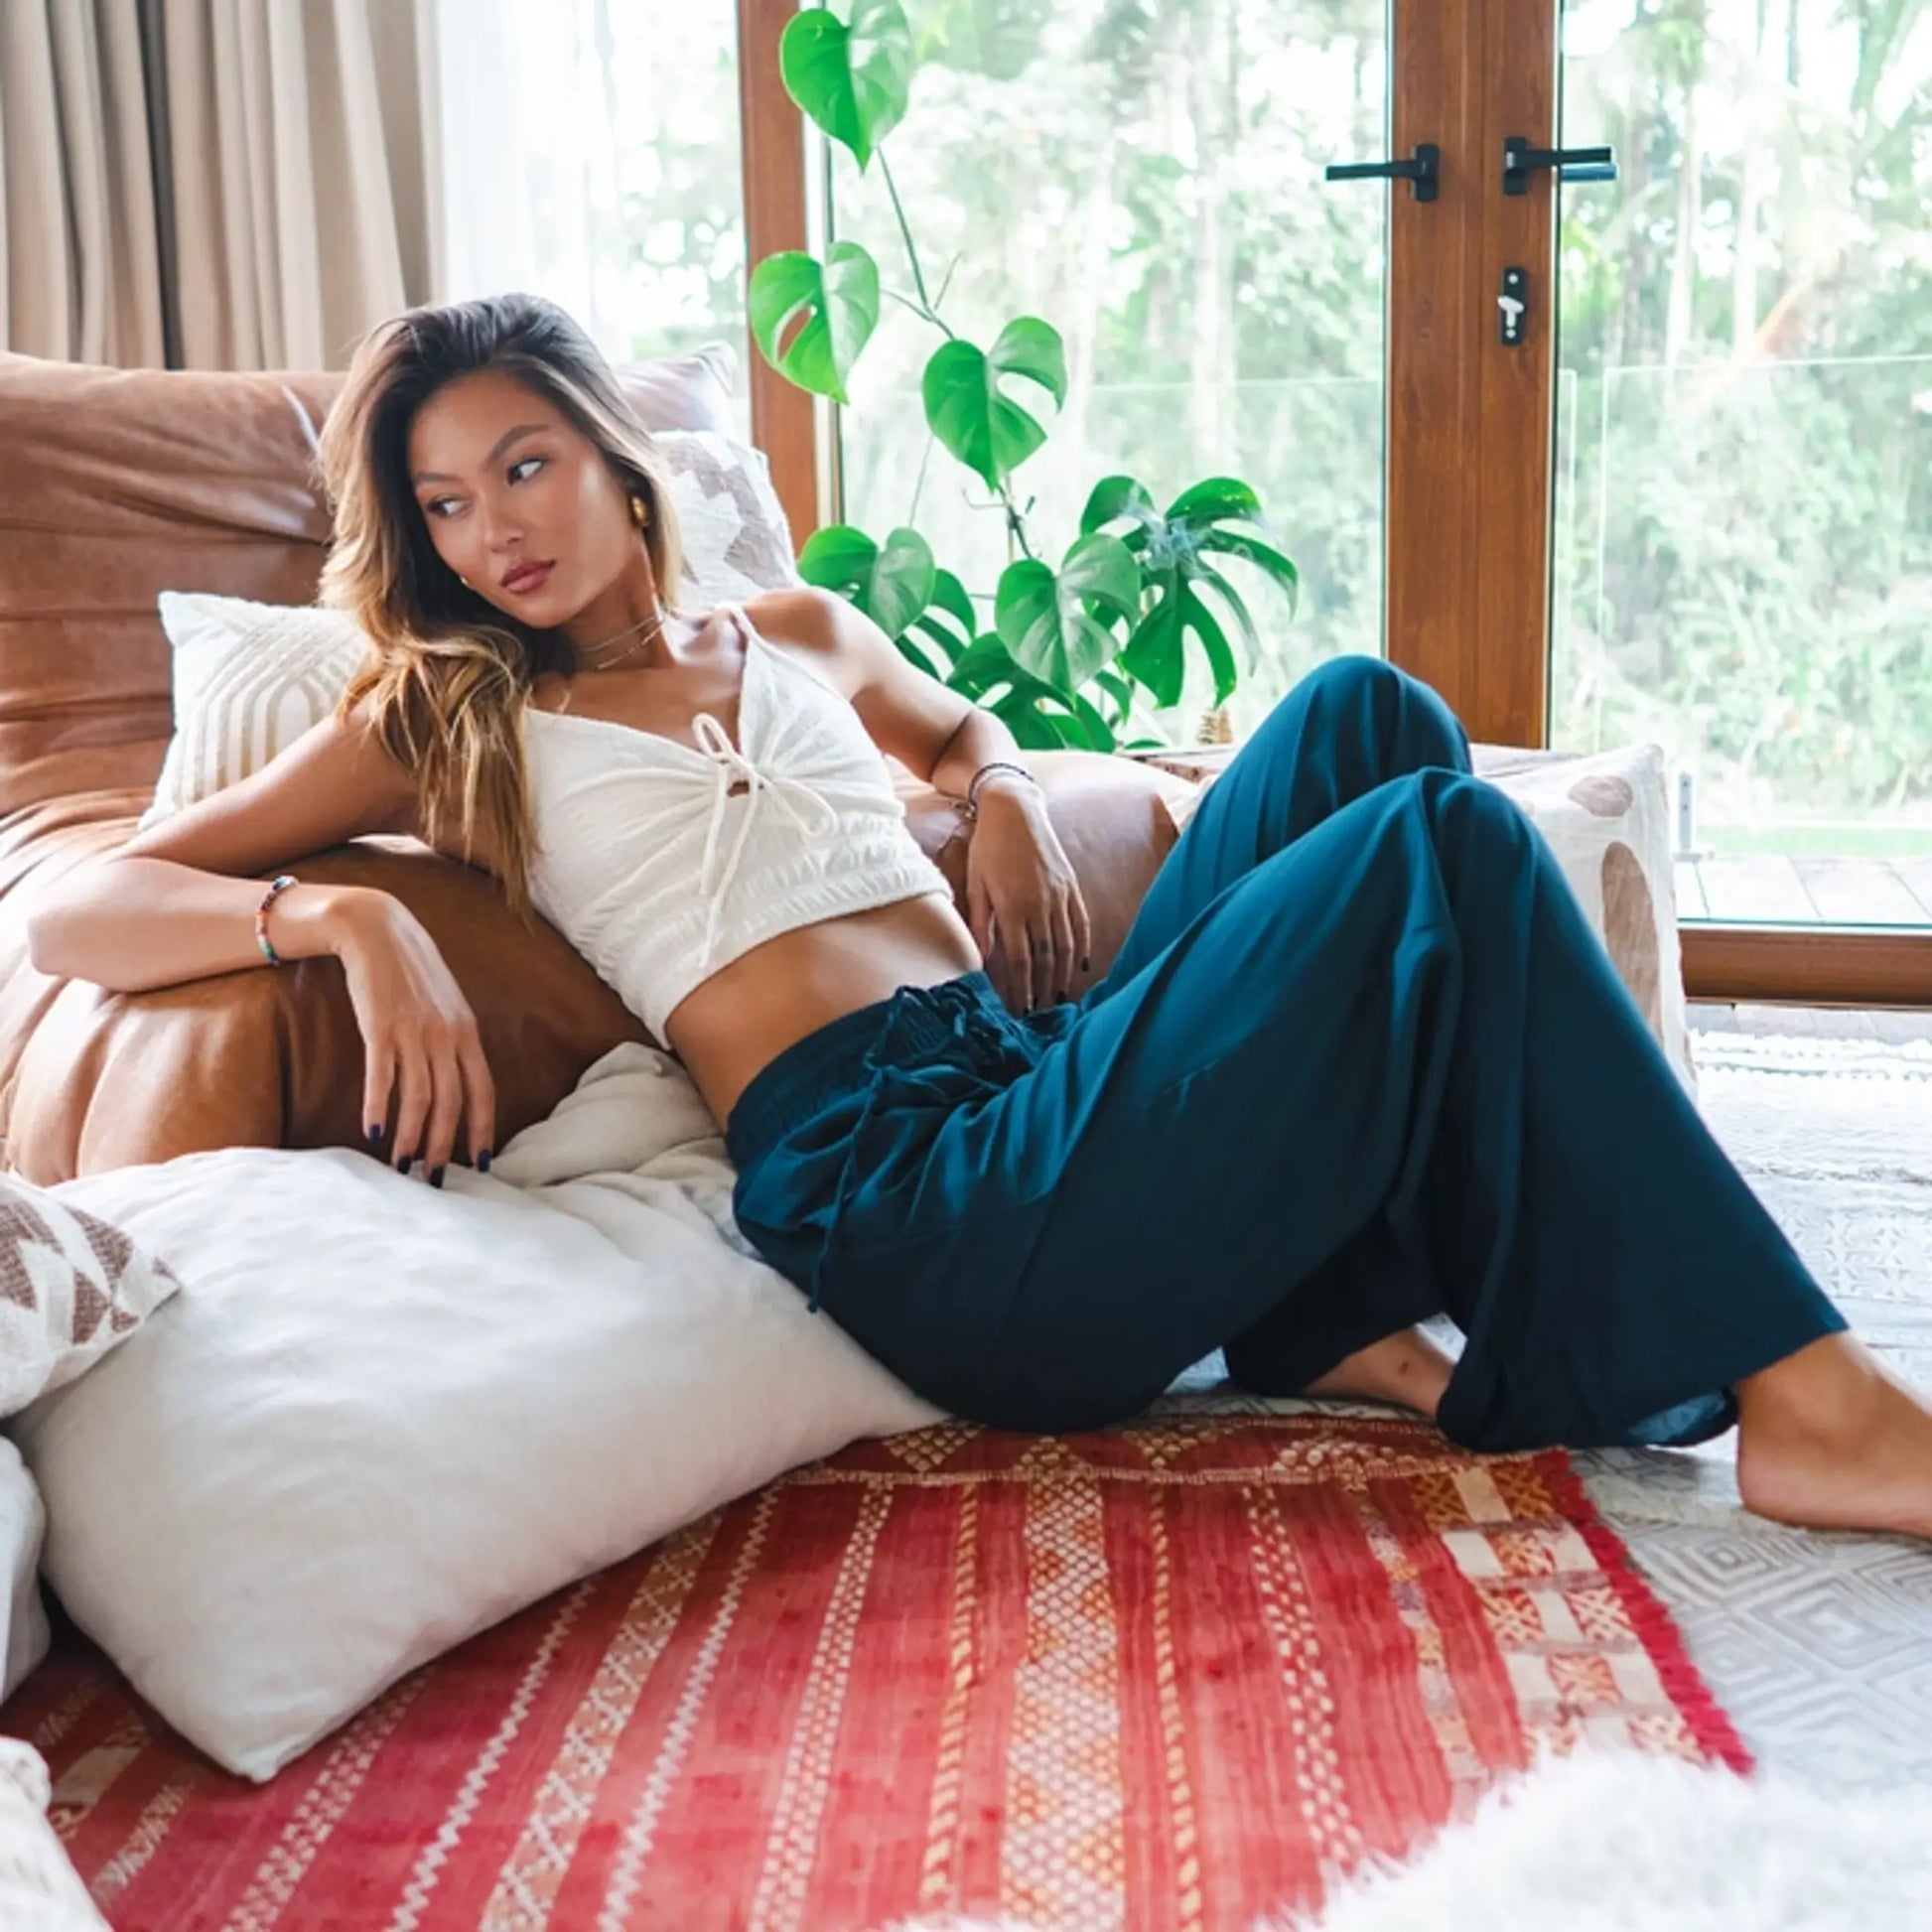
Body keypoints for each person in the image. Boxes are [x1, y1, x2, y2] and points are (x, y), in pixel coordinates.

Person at [26, 293, 1932, 1544]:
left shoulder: (786, 634)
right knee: (1443, 841)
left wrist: (1004, 784)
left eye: (521, 463)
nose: (492, 529)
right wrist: (337, 929)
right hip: (911, 1201)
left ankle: (1307, 1303)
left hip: (1026, 1074)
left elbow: (954, 728)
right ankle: (1805, 1396)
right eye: (441, 504)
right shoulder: (451, 719)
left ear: (615, 455)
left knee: (1364, 715)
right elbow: (84, 912)